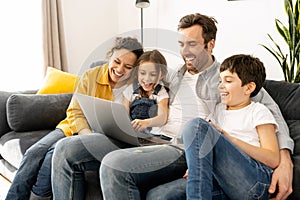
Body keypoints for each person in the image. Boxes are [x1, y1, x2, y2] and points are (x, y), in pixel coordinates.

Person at [99, 13, 294, 200]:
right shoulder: (173, 76)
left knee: (114, 165)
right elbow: (143, 78)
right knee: (70, 148)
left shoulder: (228, 78)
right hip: (153, 137)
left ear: (210, 45)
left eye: (192, 44)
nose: (185, 51)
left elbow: (271, 111)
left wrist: (284, 161)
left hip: (181, 147)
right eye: (181, 44)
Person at [5, 36, 143, 200]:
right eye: (117, 61)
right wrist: (85, 134)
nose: (120, 69)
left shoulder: (136, 85)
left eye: (128, 66)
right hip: (72, 127)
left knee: (52, 155)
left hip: (103, 136)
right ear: (110, 56)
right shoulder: (91, 75)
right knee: (33, 152)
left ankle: (38, 196)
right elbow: (75, 111)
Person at [183, 54, 280, 199]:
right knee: (161, 195)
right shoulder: (218, 110)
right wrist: (196, 165)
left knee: (196, 125)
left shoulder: (258, 111)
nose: (221, 86)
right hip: (224, 182)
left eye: (228, 81)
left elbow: (272, 159)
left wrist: (230, 139)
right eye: (220, 80)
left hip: (255, 181)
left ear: (248, 88)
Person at [124, 50, 169, 135]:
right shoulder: (131, 90)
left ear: (161, 75)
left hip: (150, 135)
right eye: (142, 73)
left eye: (153, 74)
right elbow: (124, 113)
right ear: (137, 73)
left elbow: (162, 118)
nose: (147, 79)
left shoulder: (161, 93)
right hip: (131, 132)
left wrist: (146, 122)